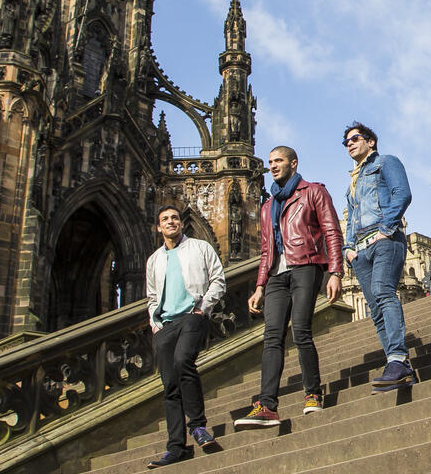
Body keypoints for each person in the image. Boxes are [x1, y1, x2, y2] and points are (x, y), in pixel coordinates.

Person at [235, 146, 344, 428]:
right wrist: (259, 284)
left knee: (301, 330)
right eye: (270, 162)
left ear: (293, 163)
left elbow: (332, 230)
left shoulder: (313, 192)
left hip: (306, 266)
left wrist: (335, 271)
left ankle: (312, 393)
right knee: (272, 337)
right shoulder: (267, 206)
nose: (272, 166)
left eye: (278, 161)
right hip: (275, 276)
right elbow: (265, 250)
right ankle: (267, 405)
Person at [144, 205, 227, 468]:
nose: (171, 222)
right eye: (165, 219)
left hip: (193, 315)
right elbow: (152, 296)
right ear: (159, 227)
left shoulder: (200, 248)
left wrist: (203, 307)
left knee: (183, 362)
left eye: (174, 218)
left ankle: (199, 427)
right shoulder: (154, 259)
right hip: (165, 325)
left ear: (181, 223)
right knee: (169, 385)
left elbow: (218, 279)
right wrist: (154, 322)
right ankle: (176, 446)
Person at [340, 122, 415, 392]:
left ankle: (397, 358)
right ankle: (398, 366)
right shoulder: (353, 181)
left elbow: (402, 194)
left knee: (384, 293)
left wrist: (386, 229)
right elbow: (349, 221)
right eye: (345, 141)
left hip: (385, 241)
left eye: (355, 138)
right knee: (375, 310)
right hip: (360, 251)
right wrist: (348, 249)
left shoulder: (386, 162)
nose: (349, 143)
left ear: (370, 142)